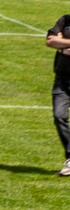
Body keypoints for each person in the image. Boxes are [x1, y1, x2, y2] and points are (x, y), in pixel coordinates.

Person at [47, 15, 70, 176]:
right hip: (62, 79)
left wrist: (62, 43)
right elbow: (50, 41)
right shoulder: (64, 20)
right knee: (59, 115)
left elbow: (57, 43)